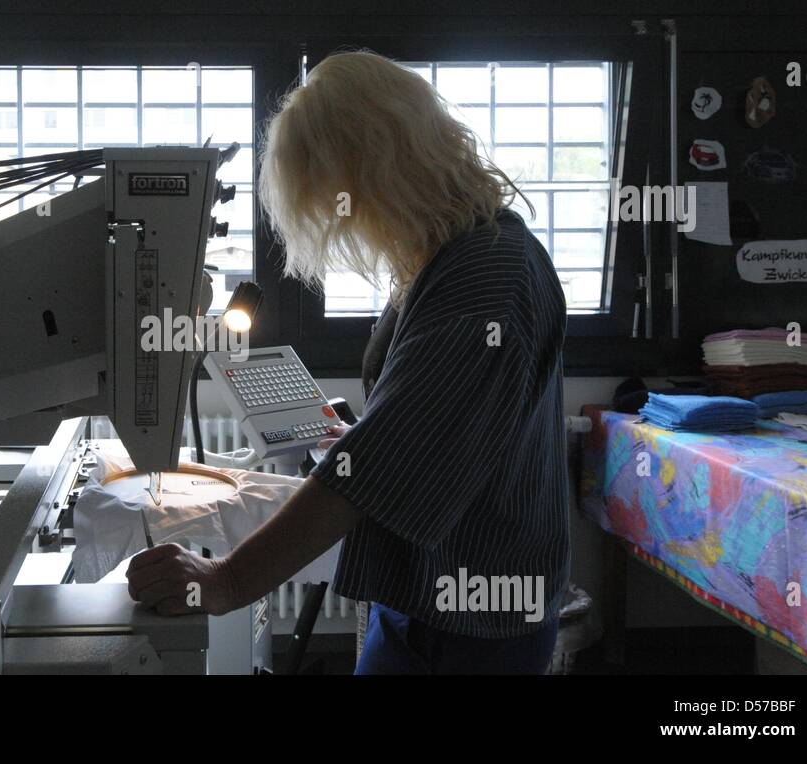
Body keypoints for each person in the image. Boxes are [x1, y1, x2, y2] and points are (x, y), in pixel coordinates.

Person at [125, 50, 570, 674]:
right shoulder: (457, 254)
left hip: (467, 625)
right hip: (435, 600)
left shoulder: (483, 277)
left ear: (378, 171)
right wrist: (364, 434)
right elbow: (444, 431)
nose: (350, 226)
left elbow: (377, 472)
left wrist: (223, 582)